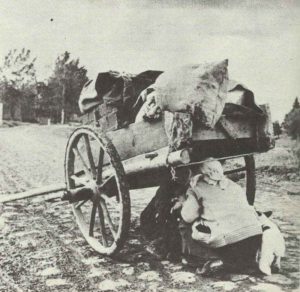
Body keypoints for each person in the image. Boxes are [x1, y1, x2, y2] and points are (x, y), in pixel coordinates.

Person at [178, 159, 263, 274]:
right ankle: (250, 258)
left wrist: (183, 202)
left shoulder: (195, 188)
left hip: (229, 240)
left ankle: (209, 258)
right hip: (255, 235)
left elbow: (189, 217)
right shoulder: (233, 185)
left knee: (184, 225)